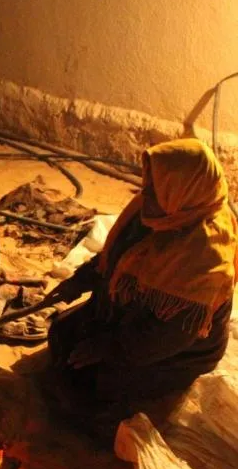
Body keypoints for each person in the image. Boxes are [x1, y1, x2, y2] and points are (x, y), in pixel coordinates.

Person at [46, 138, 238, 443]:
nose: (143, 193)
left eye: (154, 188)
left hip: (180, 348)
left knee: (95, 380)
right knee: (61, 332)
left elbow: (171, 334)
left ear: (183, 191)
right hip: (135, 311)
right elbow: (117, 257)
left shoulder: (206, 254)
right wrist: (79, 281)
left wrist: (109, 346)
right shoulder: (162, 209)